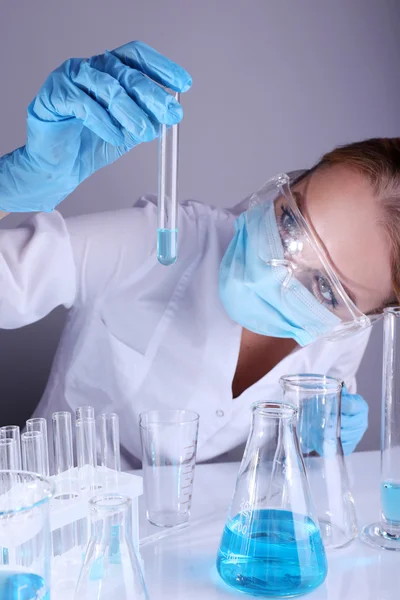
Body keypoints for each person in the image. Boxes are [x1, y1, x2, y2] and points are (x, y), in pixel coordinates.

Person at [1, 40, 395, 468]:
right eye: (289, 222)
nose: (279, 268)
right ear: (287, 185)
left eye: (324, 288)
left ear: (370, 316)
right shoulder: (163, 241)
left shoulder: (344, 336)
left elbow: (294, 470)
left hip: (183, 529)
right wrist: (9, 186)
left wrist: (318, 444)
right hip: (46, 509)